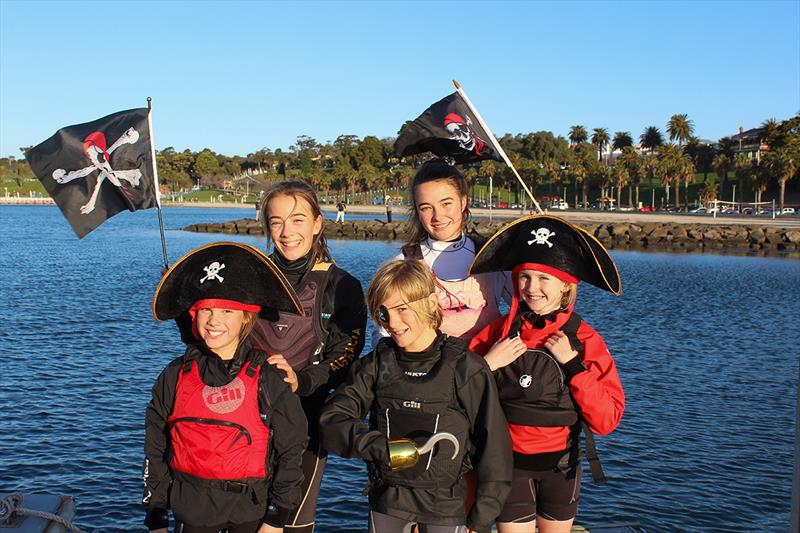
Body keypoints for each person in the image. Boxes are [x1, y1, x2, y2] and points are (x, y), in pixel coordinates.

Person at [319, 260, 512, 533]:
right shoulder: (376, 364)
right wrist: (378, 447)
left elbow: (495, 449)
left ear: (431, 303)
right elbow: (332, 420)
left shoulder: (466, 368)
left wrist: (481, 518)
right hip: (389, 501)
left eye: (401, 309)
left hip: (445, 507)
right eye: (383, 313)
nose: (392, 323)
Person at [467, 215, 625, 533]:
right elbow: (458, 396)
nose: (532, 288)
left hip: (561, 468)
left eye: (544, 279)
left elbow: (607, 420)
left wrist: (573, 365)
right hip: (507, 466)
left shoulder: (585, 340)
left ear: (567, 284)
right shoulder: (495, 335)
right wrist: (487, 365)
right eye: (524, 277)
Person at [143, 242, 308, 533]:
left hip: (250, 513)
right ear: (193, 316)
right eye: (205, 310)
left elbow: (291, 448)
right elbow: (155, 448)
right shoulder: (174, 376)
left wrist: (277, 517)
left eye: (227, 312)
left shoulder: (268, 378)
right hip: (190, 511)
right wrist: (156, 514)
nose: (214, 320)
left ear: (247, 317)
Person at [252, 180, 367, 533]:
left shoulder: (342, 286)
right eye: (276, 222)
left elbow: (345, 355)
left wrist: (302, 380)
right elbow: (215, 337)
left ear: (318, 223)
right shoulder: (250, 275)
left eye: (298, 219)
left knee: (290, 522)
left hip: (304, 420)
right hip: (248, 418)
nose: (287, 232)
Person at [371, 158, 511, 347]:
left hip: (488, 372)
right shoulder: (403, 264)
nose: (438, 216)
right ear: (417, 211)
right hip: (429, 375)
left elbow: (531, 310)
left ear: (463, 202)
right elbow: (382, 334)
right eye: (426, 208)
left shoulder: (493, 259)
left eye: (446, 203)